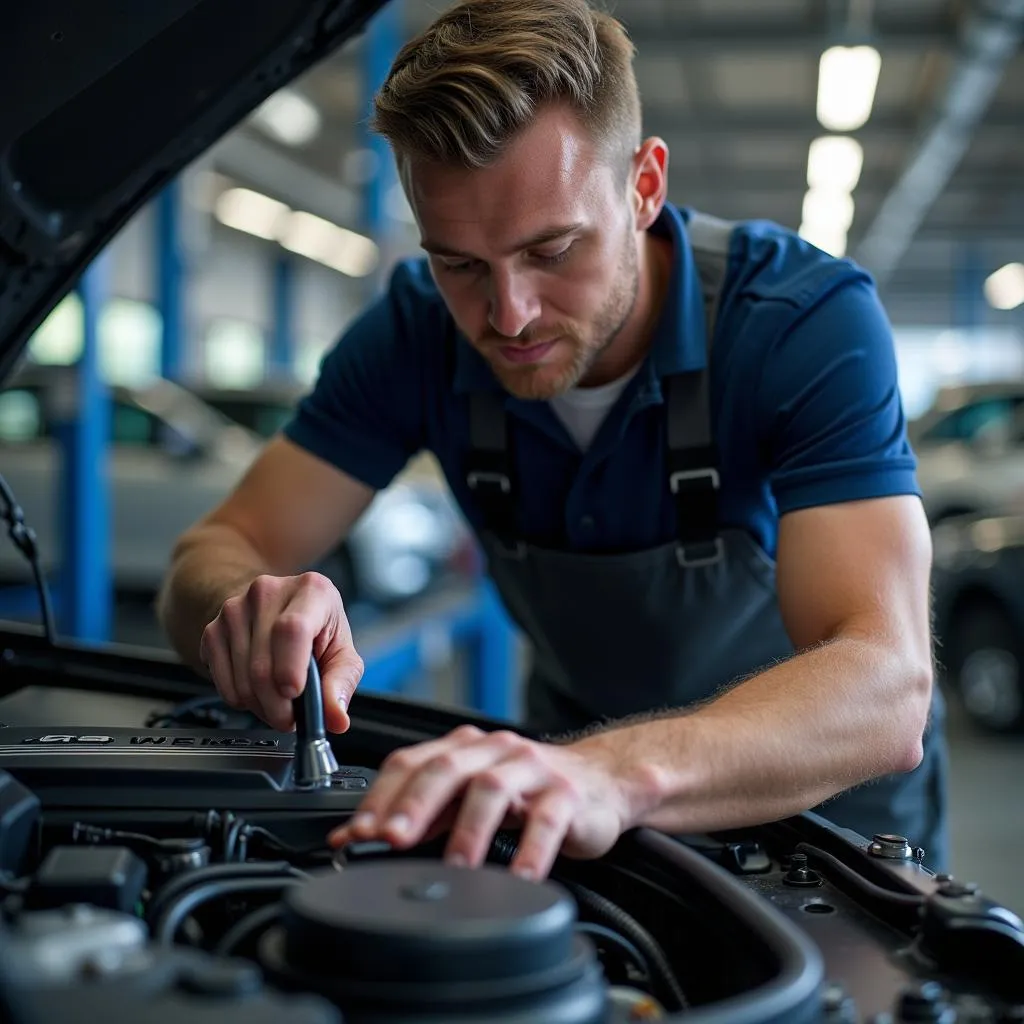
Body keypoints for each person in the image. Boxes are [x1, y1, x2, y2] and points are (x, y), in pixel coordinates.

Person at [158, 0, 947, 881]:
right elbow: (212, 550)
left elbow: (885, 686)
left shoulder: (802, 323)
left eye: (553, 250)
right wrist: (248, 606)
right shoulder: (415, 335)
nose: (508, 314)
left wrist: (609, 773)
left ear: (644, 186)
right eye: (459, 263)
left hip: (824, 843)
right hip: (574, 810)